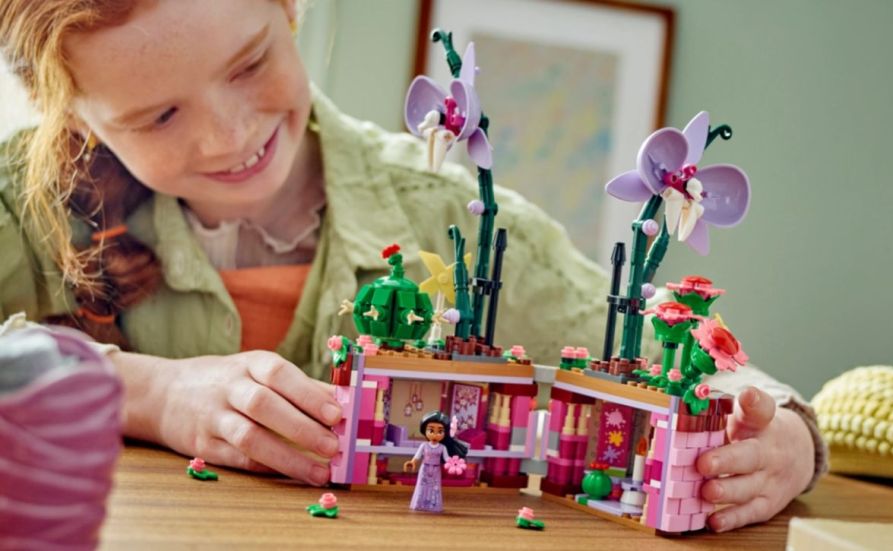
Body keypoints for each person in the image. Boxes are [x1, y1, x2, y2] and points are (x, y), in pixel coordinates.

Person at [0, 0, 825, 532]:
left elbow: (715, 376)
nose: (226, 138)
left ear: (290, 11)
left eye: (250, 63)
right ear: (66, 110)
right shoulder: (22, 204)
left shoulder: (448, 214)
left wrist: (786, 438)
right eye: (158, 115)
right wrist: (155, 392)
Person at [403, 411, 468, 512]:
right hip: (425, 468)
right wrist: (412, 462)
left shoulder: (442, 447)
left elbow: (447, 459)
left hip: (436, 470)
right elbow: (418, 456)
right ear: (425, 431)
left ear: (444, 433)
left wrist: (454, 464)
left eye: (440, 431)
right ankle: (419, 504)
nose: (435, 435)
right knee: (422, 486)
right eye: (431, 431)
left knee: (435, 488)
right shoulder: (424, 446)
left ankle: (433, 506)